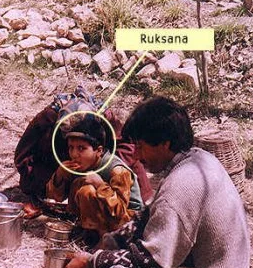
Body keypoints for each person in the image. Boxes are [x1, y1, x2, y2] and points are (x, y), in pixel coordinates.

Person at [64, 96, 250, 268]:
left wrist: (92, 262)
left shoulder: (182, 184)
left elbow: (150, 261)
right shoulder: (197, 159)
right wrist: (111, 242)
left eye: (141, 147)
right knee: (111, 263)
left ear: (164, 143)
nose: (138, 156)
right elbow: (147, 216)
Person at [14, 85, 153, 203]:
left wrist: (100, 166)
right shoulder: (48, 118)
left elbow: (129, 148)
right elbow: (22, 156)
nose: (74, 151)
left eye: (80, 144)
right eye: (71, 144)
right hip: (57, 163)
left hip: (99, 165)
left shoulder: (104, 117)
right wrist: (57, 176)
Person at [45, 116, 143, 245]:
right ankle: (85, 231)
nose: (74, 154)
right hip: (105, 217)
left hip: (129, 222)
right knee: (80, 183)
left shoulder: (117, 170)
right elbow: (54, 198)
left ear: (99, 151)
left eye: (81, 148)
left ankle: (102, 242)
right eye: (71, 147)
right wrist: (60, 174)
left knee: (87, 191)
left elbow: (120, 212)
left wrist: (100, 185)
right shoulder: (83, 164)